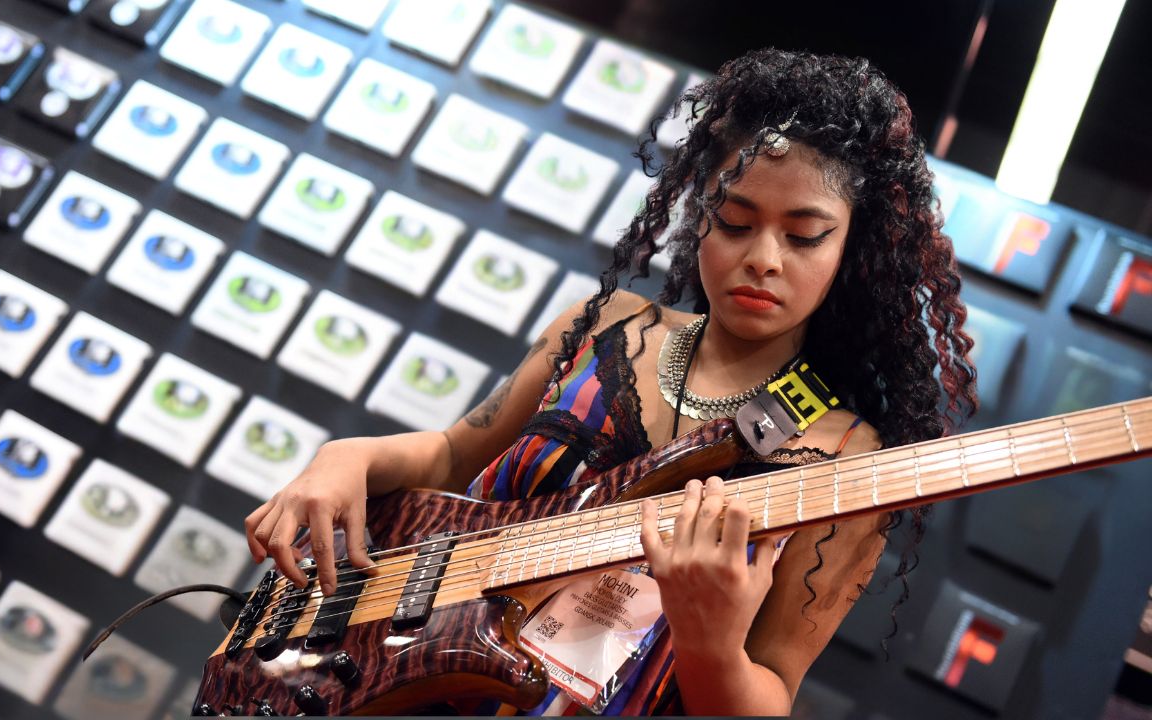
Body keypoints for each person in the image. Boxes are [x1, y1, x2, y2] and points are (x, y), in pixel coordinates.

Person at [244, 48, 978, 716]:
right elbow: (448, 457)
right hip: (394, 687)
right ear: (700, 216)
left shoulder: (847, 456)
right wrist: (350, 458)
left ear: (852, 249)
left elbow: (772, 691)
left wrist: (711, 641)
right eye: (734, 219)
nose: (763, 257)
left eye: (804, 234)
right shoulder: (608, 326)